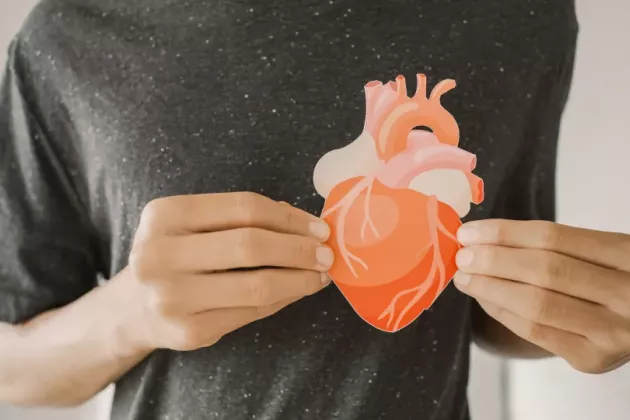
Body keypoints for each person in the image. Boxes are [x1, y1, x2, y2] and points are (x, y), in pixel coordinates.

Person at [0, 1, 628, 419]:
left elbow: (490, 304)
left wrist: (589, 313)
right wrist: (129, 315)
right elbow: (11, 369)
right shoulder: (71, 36)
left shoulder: (520, 18)